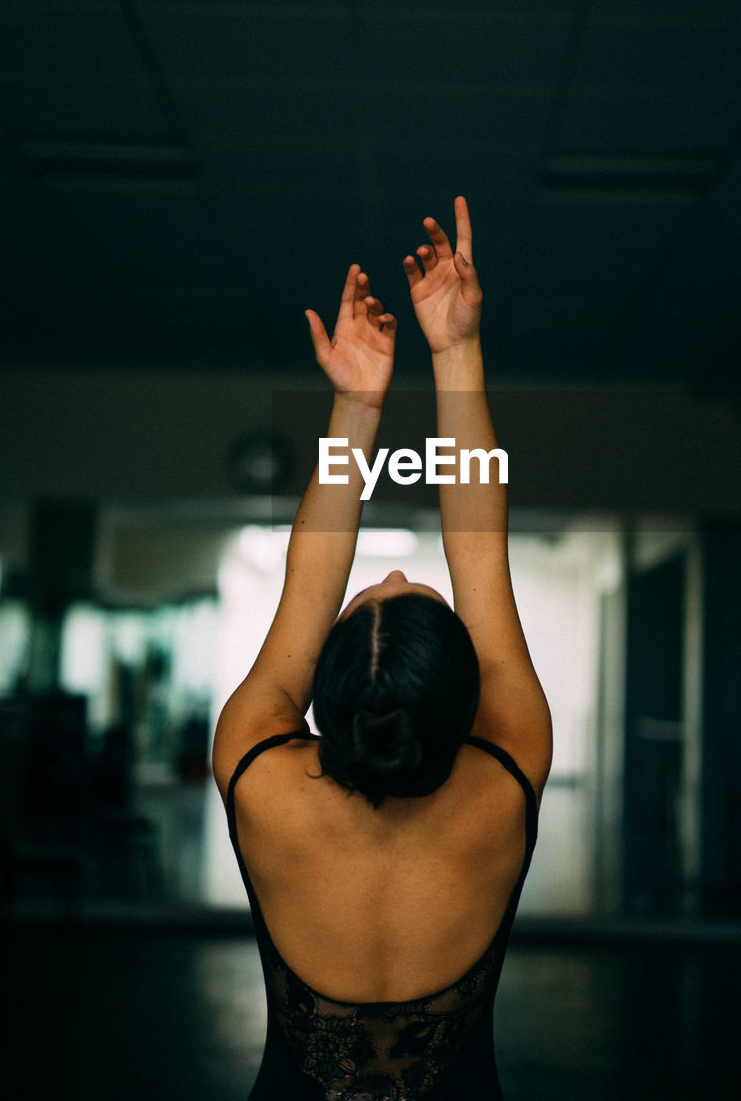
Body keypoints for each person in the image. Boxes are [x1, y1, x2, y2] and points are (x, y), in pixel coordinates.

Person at [213, 197, 553, 1100]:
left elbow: (308, 581)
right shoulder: (506, 774)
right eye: (409, 591)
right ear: (465, 693)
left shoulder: (260, 771)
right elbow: (477, 547)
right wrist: (455, 350)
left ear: (318, 695)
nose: (395, 577)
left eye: (377, 589)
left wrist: (357, 401)